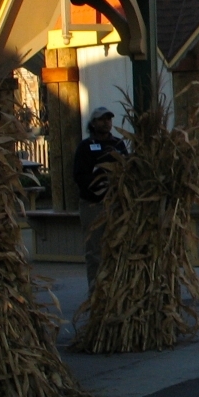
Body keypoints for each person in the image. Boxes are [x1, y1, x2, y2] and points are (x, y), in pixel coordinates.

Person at [73, 106, 128, 294]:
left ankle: (115, 290)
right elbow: (80, 176)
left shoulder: (118, 144)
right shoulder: (86, 146)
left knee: (116, 245)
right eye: (102, 119)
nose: (106, 122)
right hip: (93, 204)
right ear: (93, 123)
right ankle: (96, 292)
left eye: (109, 119)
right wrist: (98, 186)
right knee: (95, 249)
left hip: (115, 203)